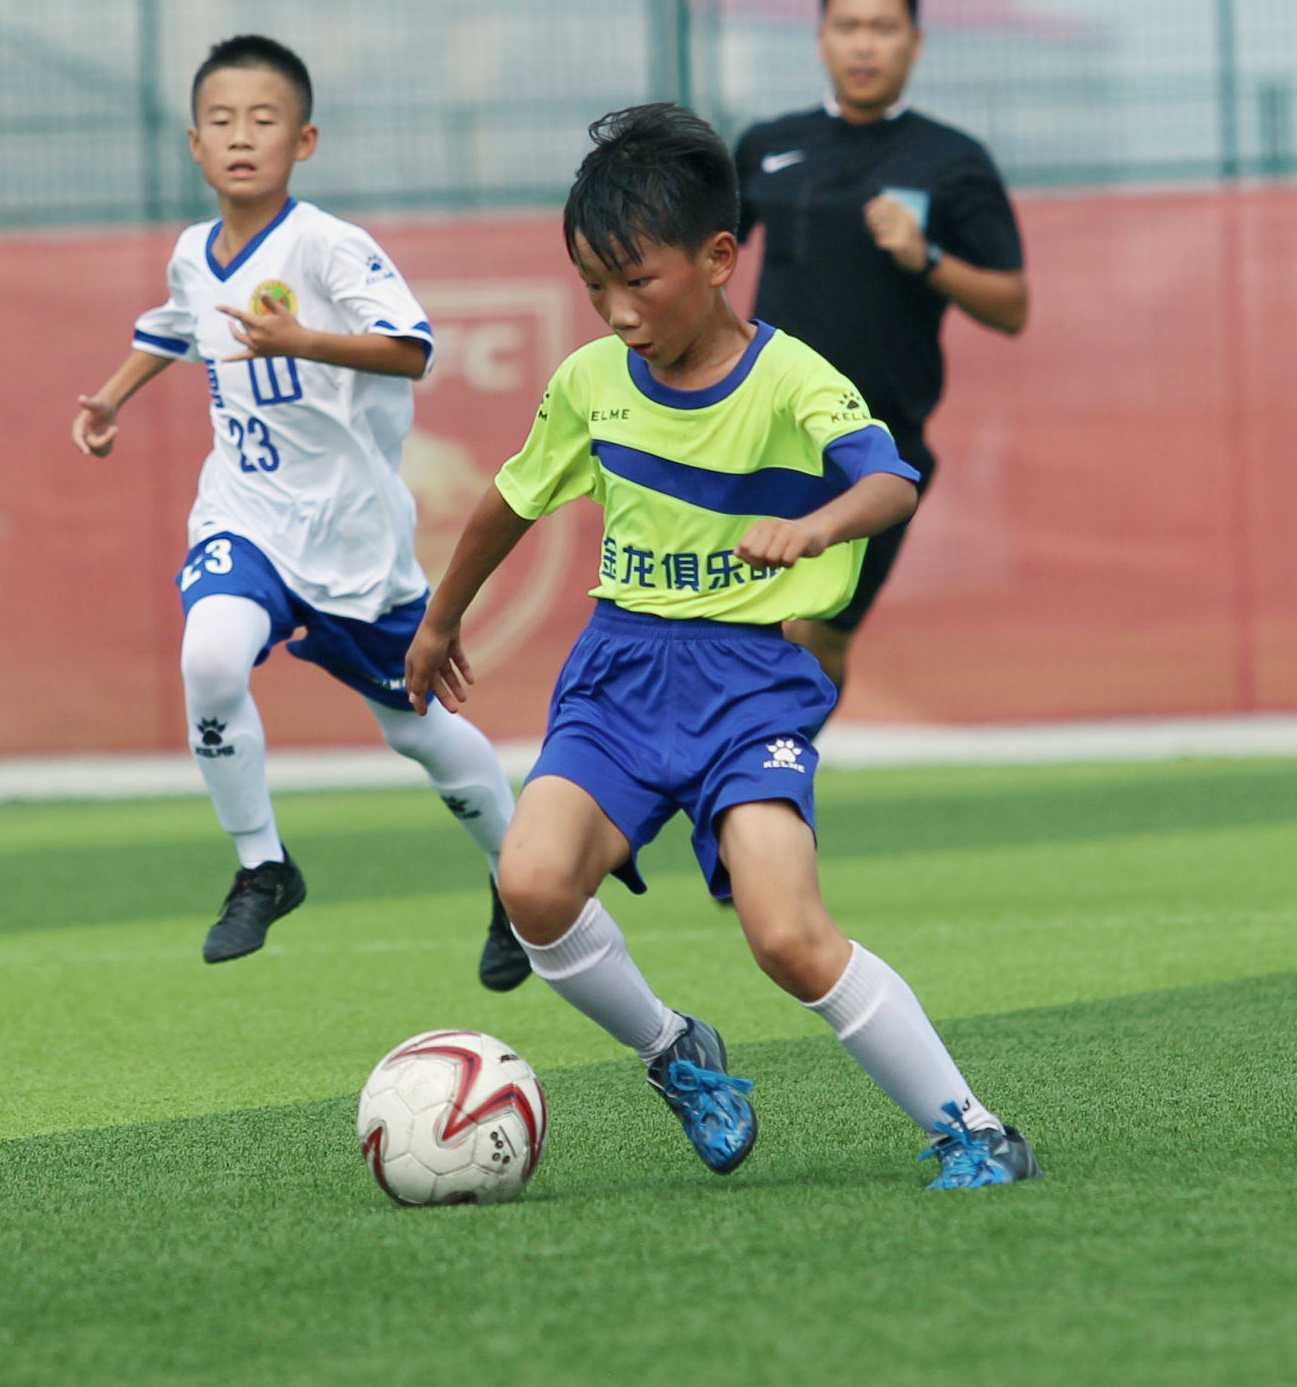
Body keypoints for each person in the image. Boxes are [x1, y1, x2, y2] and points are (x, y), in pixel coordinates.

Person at [405, 104, 1039, 1189]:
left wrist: (815, 525)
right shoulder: (590, 385)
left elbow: (889, 480)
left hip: (750, 685)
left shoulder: (794, 379)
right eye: (591, 285)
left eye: (635, 282)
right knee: (533, 883)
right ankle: (675, 1052)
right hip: (618, 676)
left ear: (716, 259)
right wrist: (440, 617)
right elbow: (508, 503)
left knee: (786, 936)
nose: (613, 312)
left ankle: (973, 1129)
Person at [71, 35, 529, 989]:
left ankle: (517, 881)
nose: (243, 137)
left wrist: (303, 337)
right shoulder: (193, 253)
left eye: (264, 120)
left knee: (415, 727)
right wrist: (113, 395)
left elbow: (411, 348)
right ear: (194, 144)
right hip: (244, 517)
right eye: (223, 122)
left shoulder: (329, 245)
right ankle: (262, 867)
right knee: (208, 656)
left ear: (304, 140)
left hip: (354, 538)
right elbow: (176, 322)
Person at [733, 0, 1028, 702]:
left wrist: (924, 255)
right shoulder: (767, 147)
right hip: (761, 436)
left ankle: (768, 777)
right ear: (821, 36)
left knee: (817, 634)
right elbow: (709, 261)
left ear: (915, 41)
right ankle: (749, 792)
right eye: (847, 25)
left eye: (882, 27)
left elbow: (1012, 305)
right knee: (742, 628)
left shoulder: (950, 160)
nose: (864, 43)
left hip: (876, 452)